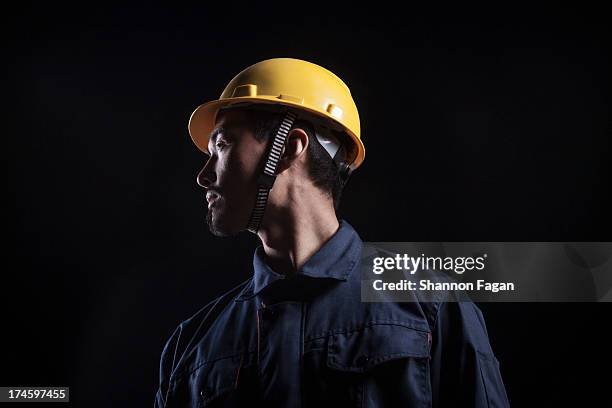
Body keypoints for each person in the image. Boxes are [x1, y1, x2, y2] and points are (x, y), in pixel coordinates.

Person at [154, 58, 510, 407]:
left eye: (222, 145)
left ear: (289, 148)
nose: (204, 175)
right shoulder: (192, 346)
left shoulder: (430, 306)